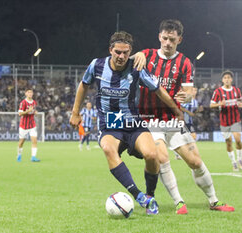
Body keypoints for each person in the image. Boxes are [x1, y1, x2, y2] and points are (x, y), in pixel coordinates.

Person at [69, 31, 184, 215]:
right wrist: (75, 112)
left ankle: (150, 196)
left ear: (130, 51)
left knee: (152, 155)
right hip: (110, 124)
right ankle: (138, 195)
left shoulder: (137, 67)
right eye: (117, 52)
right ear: (110, 50)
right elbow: (83, 85)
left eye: (125, 52)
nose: (121, 56)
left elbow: (158, 89)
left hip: (133, 123)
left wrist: (176, 110)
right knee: (108, 148)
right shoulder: (97, 65)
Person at [136, 19, 234, 214]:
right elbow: (126, 60)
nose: (167, 43)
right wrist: (136, 54)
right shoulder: (146, 55)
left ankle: (214, 201)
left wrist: (188, 96)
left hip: (173, 119)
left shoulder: (185, 63)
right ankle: (179, 202)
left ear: (179, 39)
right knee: (162, 157)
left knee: (195, 162)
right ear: (159, 37)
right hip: (149, 119)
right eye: (164, 38)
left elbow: (189, 91)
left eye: (172, 39)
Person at [210, 70, 242, 171]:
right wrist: (219, 104)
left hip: (235, 119)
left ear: (231, 80)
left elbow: (240, 102)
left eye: (228, 78)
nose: (227, 79)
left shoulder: (236, 90)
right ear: (222, 80)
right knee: (229, 142)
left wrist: (240, 105)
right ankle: (233, 162)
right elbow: (211, 105)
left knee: (238, 140)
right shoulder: (218, 92)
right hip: (224, 121)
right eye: (225, 78)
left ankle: (240, 160)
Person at [17, 88, 40, 162]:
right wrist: (28, 111)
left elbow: (33, 111)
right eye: (28, 92)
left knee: (34, 141)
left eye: (31, 92)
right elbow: (20, 113)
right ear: (26, 94)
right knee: (21, 142)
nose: (30, 93)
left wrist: (35, 112)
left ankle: (33, 157)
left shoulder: (34, 102)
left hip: (32, 125)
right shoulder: (23, 103)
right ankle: (19, 154)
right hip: (23, 125)